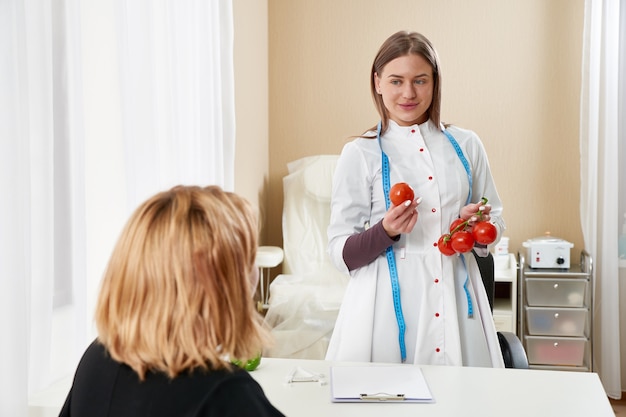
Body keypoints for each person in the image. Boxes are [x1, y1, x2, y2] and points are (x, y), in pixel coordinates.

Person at [325, 30, 506, 368]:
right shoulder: (360, 153)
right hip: (381, 305)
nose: (408, 93)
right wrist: (385, 232)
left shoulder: (467, 145)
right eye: (396, 81)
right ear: (377, 82)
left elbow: (495, 220)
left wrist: (479, 225)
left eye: (420, 81)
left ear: (435, 83)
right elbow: (340, 252)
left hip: (456, 296)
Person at [59, 185, 285, 417]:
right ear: (219, 282)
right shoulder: (224, 395)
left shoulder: (97, 359)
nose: (254, 272)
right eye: (249, 258)